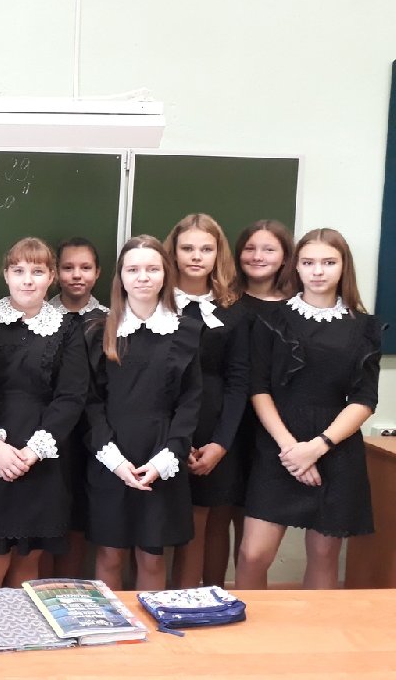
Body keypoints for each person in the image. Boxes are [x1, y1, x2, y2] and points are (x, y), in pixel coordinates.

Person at [236, 228, 380, 589]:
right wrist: (291, 450)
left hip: (335, 446)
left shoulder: (364, 327)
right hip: (278, 444)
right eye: (308, 262)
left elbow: (364, 399)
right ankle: (245, 625)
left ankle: (316, 627)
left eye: (328, 262)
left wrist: (317, 447)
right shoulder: (271, 318)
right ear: (295, 267)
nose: (318, 271)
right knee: (253, 554)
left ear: (343, 267)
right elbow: (258, 389)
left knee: (324, 556)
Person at [84, 235, 203, 591]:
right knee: (110, 554)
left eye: (152, 269)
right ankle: (112, 627)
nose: (143, 277)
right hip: (110, 454)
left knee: (152, 557)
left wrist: (169, 456)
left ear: (165, 274)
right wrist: (113, 459)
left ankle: (149, 629)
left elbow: (190, 401)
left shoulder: (186, 331)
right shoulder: (98, 330)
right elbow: (90, 401)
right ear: (120, 277)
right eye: (133, 269)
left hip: (162, 454)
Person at [0, 237, 88, 589]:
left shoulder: (67, 329)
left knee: (28, 560)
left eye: (37, 271)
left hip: (42, 454)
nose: (27, 280)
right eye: (18, 271)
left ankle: (20, 627)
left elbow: (71, 395)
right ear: (6, 275)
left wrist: (35, 451)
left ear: (51, 277)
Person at [202, 220, 295, 586]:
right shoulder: (221, 303)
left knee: (254, 519)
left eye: (269, 249)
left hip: (273, 425)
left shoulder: (297, 307)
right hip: (228, 423)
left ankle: (249, 599)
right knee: (217, 514)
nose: (258, 256)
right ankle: (212, 596)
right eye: (250, 248)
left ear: (285, 256)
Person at [162, 214, 249, 588]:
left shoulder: (234, 310)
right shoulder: (154, 301)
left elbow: (238, 382)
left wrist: (220, 443)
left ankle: (201, 604)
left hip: (213, 429)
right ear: (173, 252)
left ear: (218, 254)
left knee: (205, 520)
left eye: (206, 249)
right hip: (162, 426)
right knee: (159, 524)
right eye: (187, 248)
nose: (196, 256)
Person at [46, 236, 108, 578]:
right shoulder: (39, 316)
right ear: (55, 272)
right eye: (68, 267)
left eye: (85, 268)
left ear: (98, 273)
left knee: (79, 515)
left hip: (92, 431)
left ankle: (68, 588)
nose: (76, 275)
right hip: (50, 430)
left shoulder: (110, 320)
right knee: (49, 511)